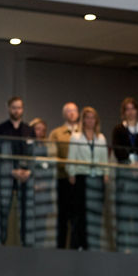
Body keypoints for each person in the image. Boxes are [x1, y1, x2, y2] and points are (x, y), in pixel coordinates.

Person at [67, 106, 108, 251]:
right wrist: (71, 173)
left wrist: (106, 173)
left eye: (92, 117)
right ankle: (78, 244)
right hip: (81, 177)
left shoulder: (101, 138)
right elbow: (71, 158)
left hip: (97, 177)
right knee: (79, 213)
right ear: (83, 120)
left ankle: (92, 244)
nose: (90, 120)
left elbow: (104, 159)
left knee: (95, 212)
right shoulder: (76, 137)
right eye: (87, 117)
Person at [0, 96, 32, 247]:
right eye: (14, 107)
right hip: (6, 177)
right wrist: (11, 171)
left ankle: (25, 245)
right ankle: (0, 244)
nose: (17, 110)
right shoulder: (0, 129)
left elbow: (33, 154)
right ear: (9, 108)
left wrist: (28, 172)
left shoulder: (29, 130)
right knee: (3, 212)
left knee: (25, 214)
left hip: (25, 177)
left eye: (20, 107)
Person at [48, 102, 82, 248]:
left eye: (74, 110)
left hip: (80, 179)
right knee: (62, 217)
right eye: (68, 110)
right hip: (62, 179)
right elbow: (52, 156)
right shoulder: (56, 133)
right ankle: (60, 248)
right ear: (64, 114)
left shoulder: (85, 132)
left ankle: (76, 248)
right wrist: (68, 168)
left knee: (78, 217)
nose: (72, 113)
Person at [110, 97, 138, 164]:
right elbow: (118, 150)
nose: (130, 112)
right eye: (127, 109)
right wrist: (129, 163)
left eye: (133, 108)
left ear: (137, 110)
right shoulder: (118, 129)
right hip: (124, 165)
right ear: (124, 112)